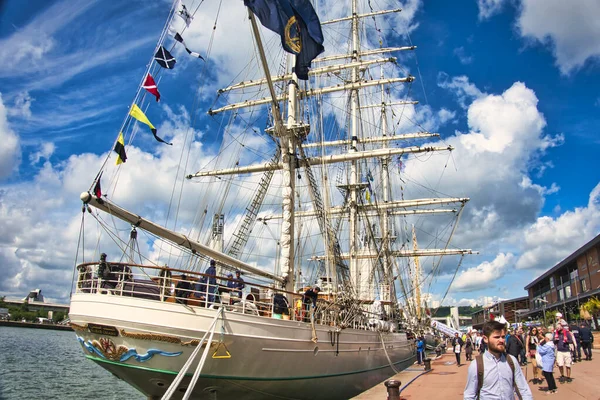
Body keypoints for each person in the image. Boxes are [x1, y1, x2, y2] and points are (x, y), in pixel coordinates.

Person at [463, 321, 533, 400]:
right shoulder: (477, 365)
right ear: (485, 339)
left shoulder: (511, 361)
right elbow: (469, 395)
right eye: (497, 337)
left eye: (503, 337)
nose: (501, 340)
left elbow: (523, 390)